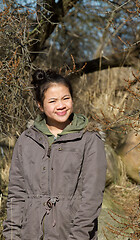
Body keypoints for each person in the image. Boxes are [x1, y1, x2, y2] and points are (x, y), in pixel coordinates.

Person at [3, 69, 107, 240]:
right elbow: (16, 194)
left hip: (71, 234)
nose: (61, 105)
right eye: (52, 101)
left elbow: (92, 198)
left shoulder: (89, 140)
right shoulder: (26, 140)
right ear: (40, 104)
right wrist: (12, 235)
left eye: (66, 98)